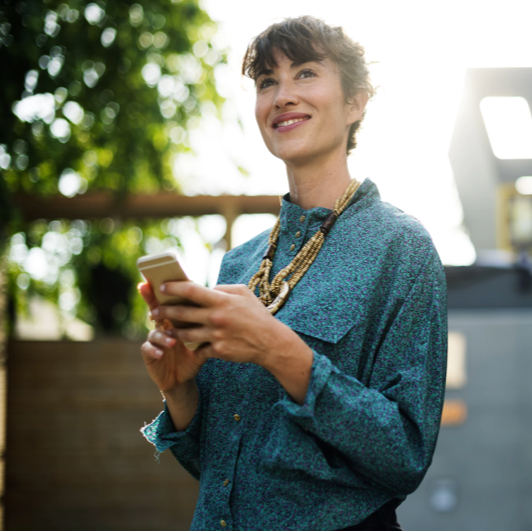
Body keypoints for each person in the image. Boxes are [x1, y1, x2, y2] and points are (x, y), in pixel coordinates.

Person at [139, 16, 447, 531]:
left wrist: (278, 351)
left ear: (356, 102)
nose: (282, 95)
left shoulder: (402, 249)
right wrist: (180, 392)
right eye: (266, 82)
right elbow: (217, 468)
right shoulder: (239, 263)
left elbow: (406, 456)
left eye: (305, 73)